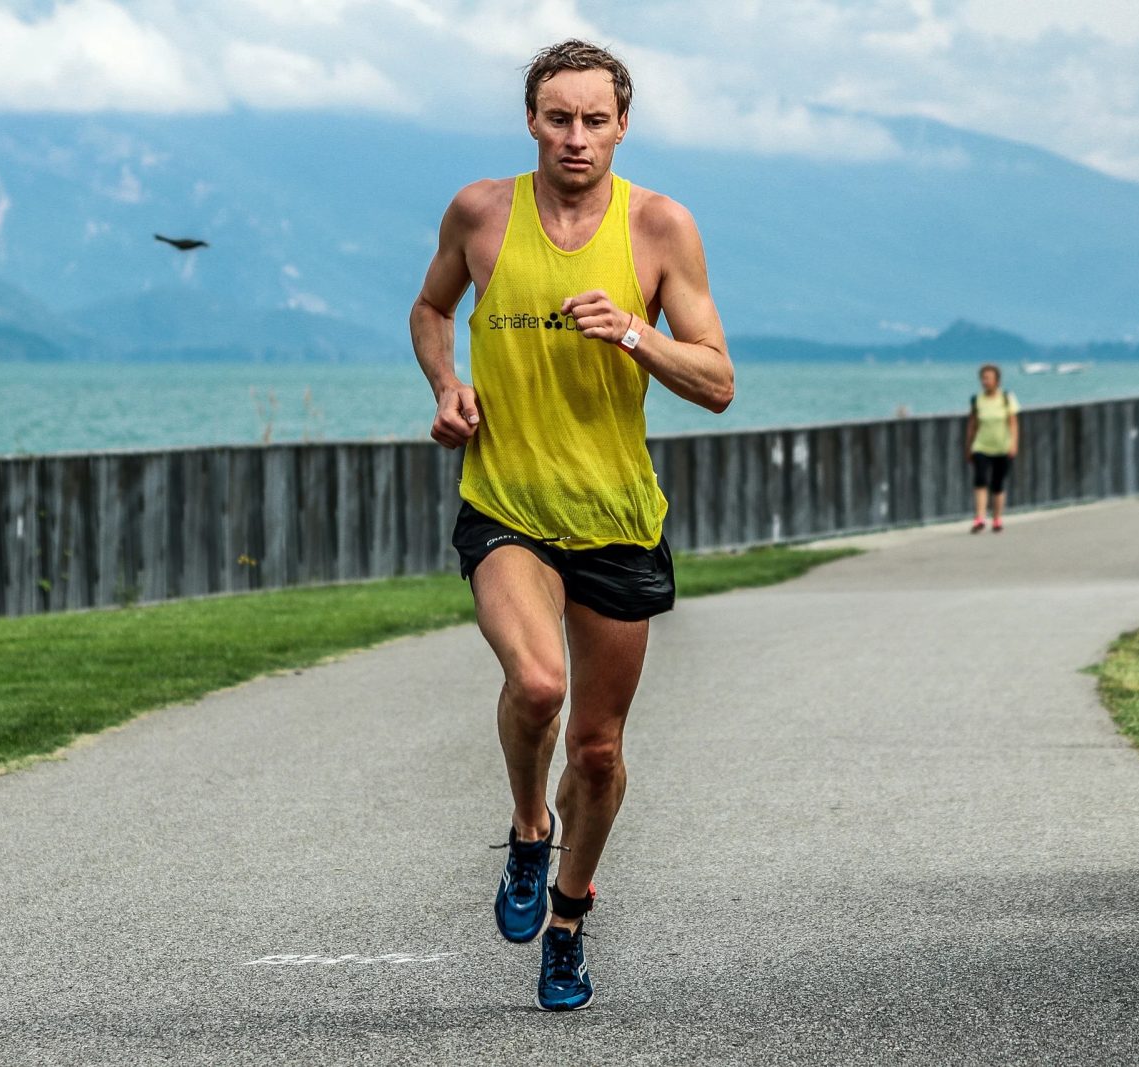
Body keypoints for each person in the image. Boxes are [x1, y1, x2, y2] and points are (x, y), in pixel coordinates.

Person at [408, 39, 733, 1011]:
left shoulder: (659, 226)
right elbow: (430, 309)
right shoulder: (480, 212)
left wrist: (633, 331)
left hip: (616, 518)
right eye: (559, 118)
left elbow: (717, 379)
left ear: (623, 125)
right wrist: (447, 384)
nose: (576, 137)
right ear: (531, 121)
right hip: (506, 503)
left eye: (595, 119)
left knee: (595, 750)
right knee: (539, 682)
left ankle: (569, 918)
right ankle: (526, 828)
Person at [965, 363, 1019, 533]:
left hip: (1002, 447)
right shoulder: (977, 400)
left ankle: (997, 518)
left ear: (997, 380)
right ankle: (980, 517)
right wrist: (969, 446)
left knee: (997, 483)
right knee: (980, 479)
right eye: (983, 378)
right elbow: (973, 424)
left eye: (988, 378)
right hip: (981, 446)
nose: (985, 381)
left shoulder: (1006, 398)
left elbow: (1013, 423)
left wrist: (1013, 444)